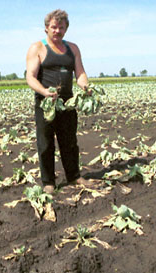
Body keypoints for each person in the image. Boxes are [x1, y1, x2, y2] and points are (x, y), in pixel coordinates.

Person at [26, 9, 91, 193]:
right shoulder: (37, 48)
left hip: (67, 103)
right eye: (53, 27)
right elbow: (30, 77)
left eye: (61, 28)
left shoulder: (73, 49)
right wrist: (44, 92)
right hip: (45, 104)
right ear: (46, 28)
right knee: (45, 143)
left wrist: (86, 87)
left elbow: (80, 73)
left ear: (66, 29)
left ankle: (74, 177)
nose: (57, 31)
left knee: (69, 141)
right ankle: (48, 182)